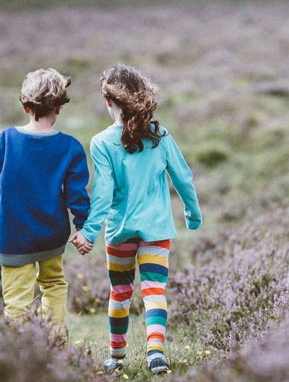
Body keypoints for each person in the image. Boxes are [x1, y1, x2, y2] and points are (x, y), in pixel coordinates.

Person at [69, 64, 202, 374]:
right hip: (157, 230)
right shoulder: (160, 135)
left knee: (120, 293)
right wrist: (192, 213)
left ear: (109, 102)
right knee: (154, 290)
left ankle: (116, 358)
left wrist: (89, 231)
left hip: (119, 231)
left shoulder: (101, 142)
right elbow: (183, 177)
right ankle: (156, 352)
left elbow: (102, 193)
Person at [0, 68, 90, 340]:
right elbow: (78, 195)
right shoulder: (70, 147)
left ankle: (20, 349)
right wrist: (83, 225)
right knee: (53, 284)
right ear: (59, 108)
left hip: (13, 238)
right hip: (53, 237)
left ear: (25, 105)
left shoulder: (5, 141)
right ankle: (55, 341)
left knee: (17, 299)